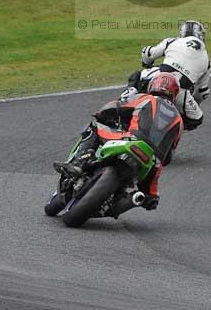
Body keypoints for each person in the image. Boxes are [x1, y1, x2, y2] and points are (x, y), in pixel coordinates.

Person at [54, 72, 183, 211]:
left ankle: (78, 163)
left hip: (131, 140)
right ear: (175, 93)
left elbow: (116, 106)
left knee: (94, 128)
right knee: (150, 197)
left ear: (152, 85)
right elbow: (170, 152)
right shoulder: (180, 121)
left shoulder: (146, 98)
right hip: (153, 161)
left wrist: (101, 114)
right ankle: (131, 200)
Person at [128, 20, 211, 131]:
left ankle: (125, 99)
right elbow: (202, 92)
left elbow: (148, 53)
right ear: (201, 36)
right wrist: (194, 101)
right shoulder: (208, 62)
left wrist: (146, 63)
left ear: (181, 33)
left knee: (138, 75)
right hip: (181, 91)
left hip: (160, 77)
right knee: (197, 119)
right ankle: (170, 130)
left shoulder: (172, 41)